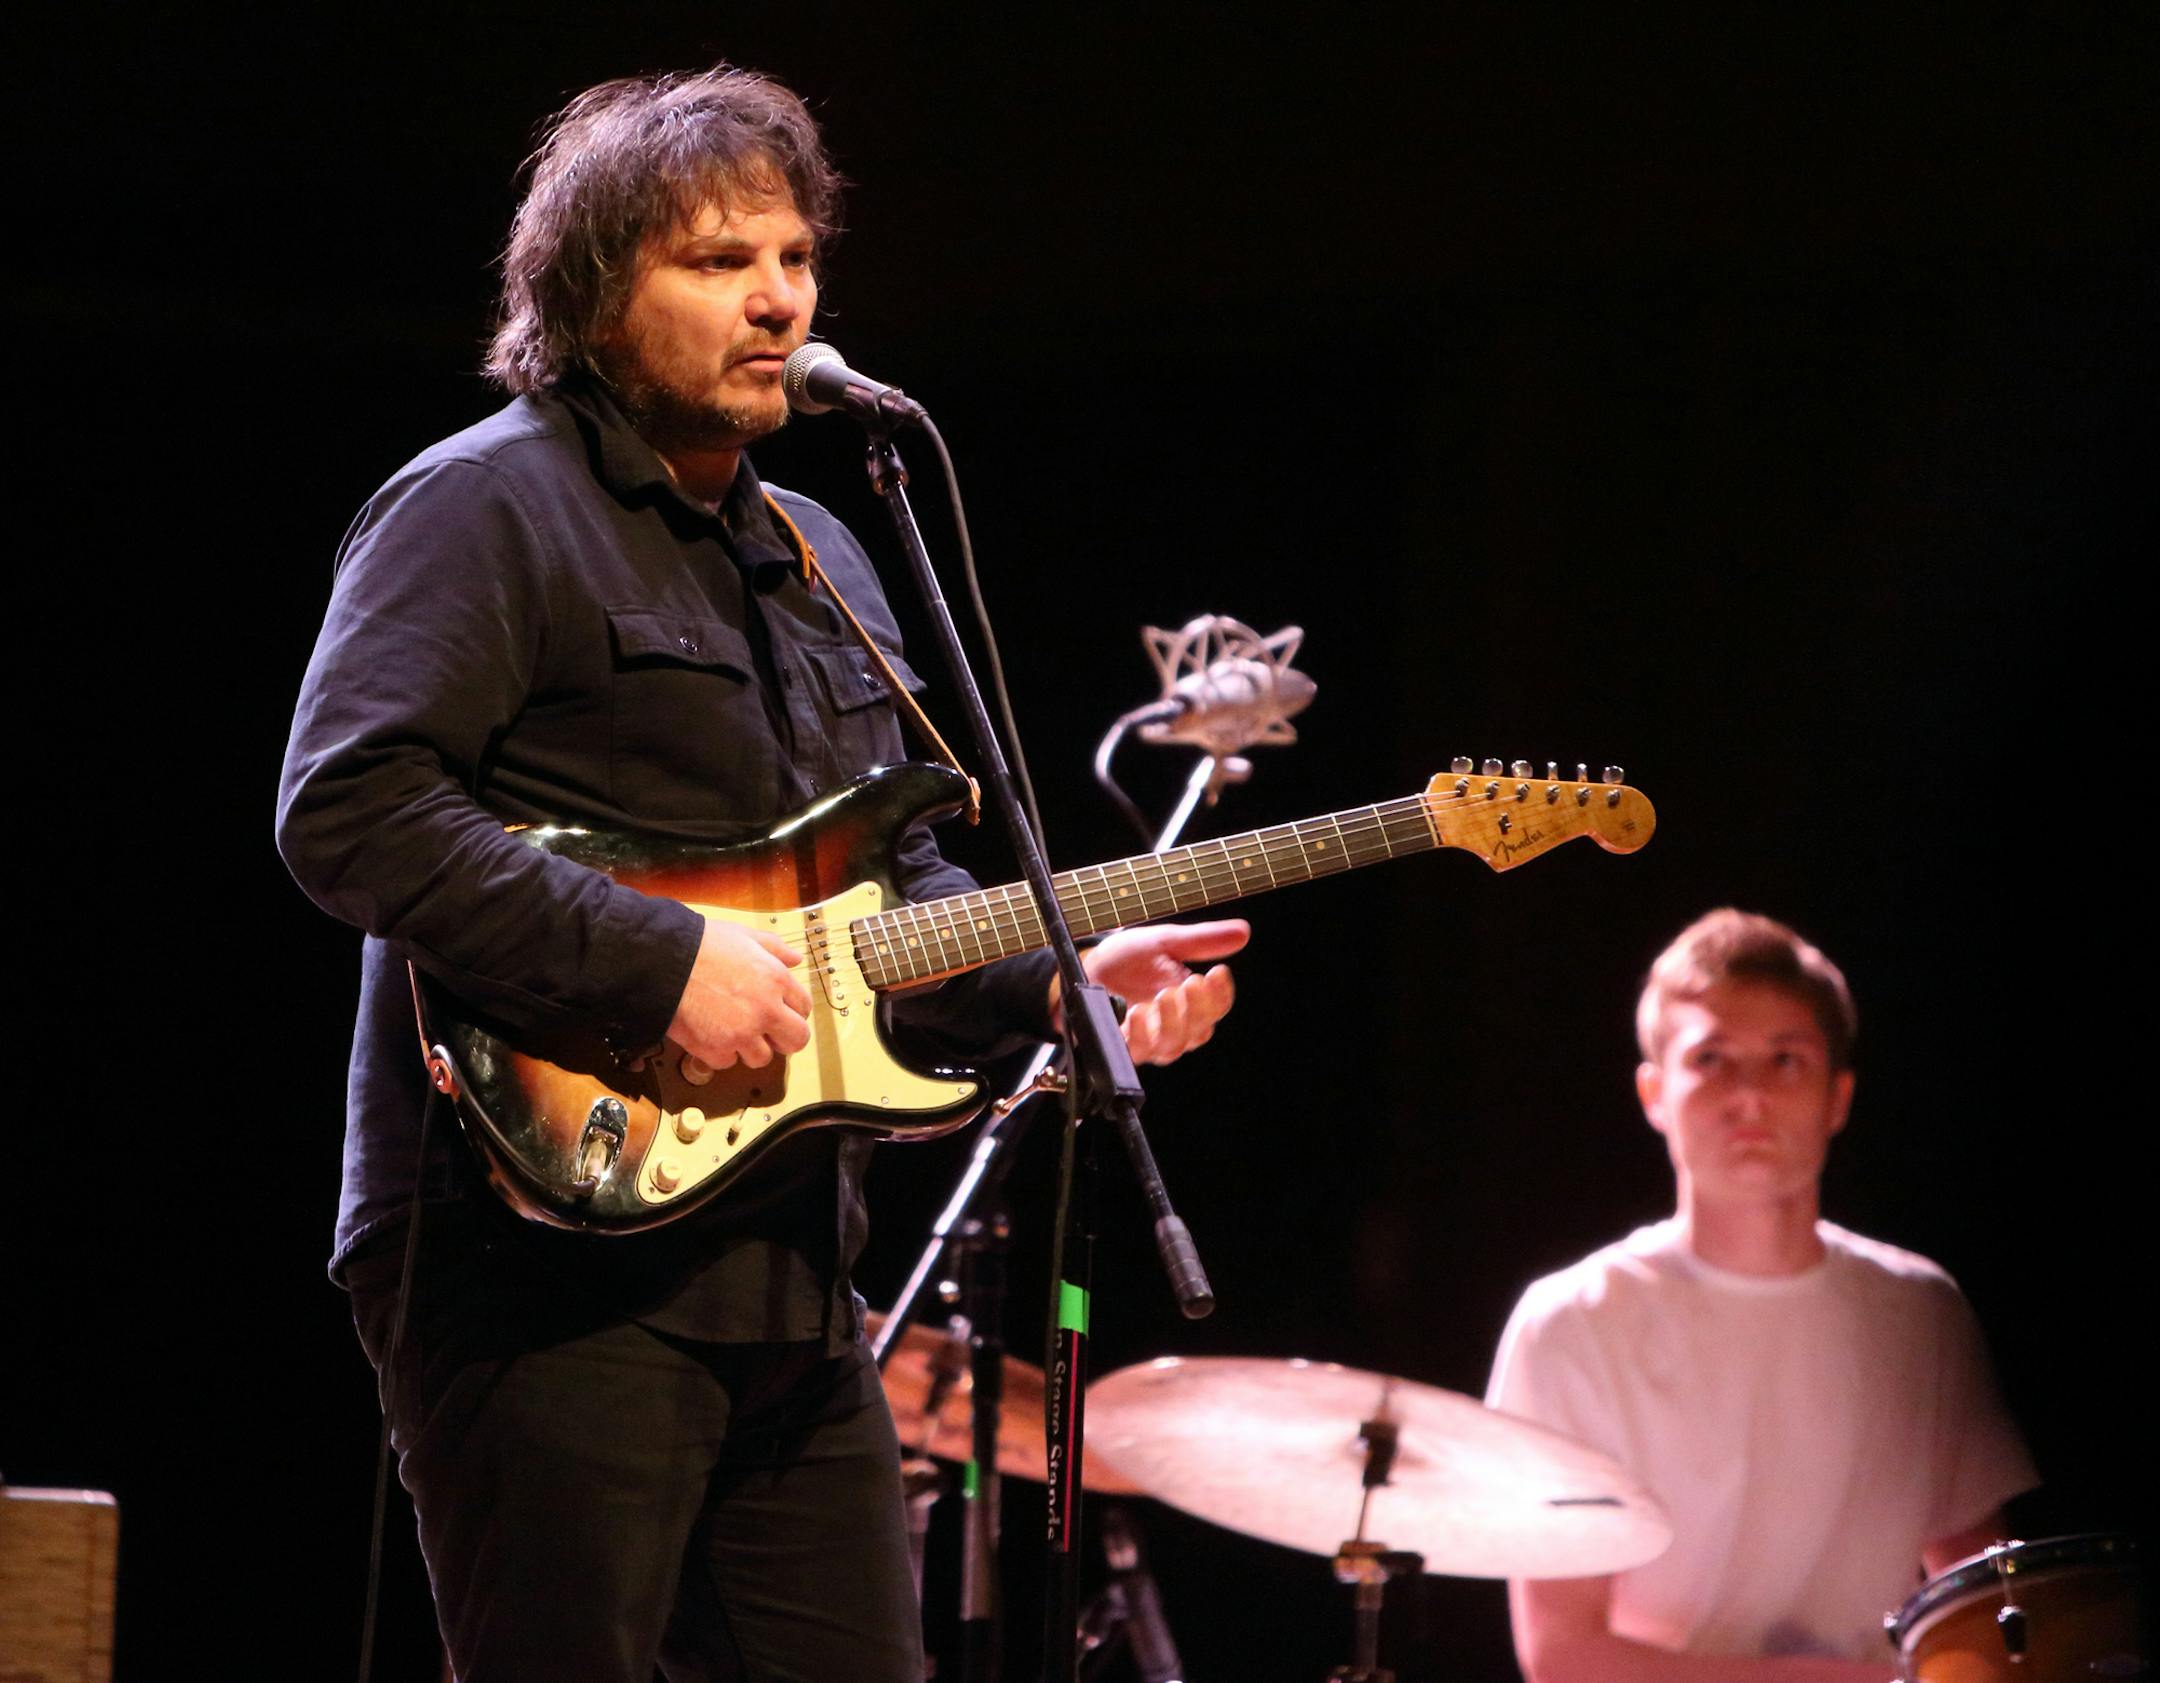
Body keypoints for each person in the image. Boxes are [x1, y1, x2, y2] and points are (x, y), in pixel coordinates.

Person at [276, 64, 1245, 1683]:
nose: (777, 299)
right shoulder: (481, 507)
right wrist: (658, 962)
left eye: (793, 259)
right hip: (534, 1246)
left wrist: (1056, 978)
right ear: (595, 292)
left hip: (792, 1260)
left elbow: (903, 885)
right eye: (719, 261)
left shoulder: (825, 547)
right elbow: (350, 811)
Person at [1484, 909, 2035, 1683]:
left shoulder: (1921, 1312)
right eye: (1711, 1058)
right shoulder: (1572, 1321)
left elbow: (1990, 1610)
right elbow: (1564, 1656)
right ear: (1653, 1092)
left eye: (1785, 1060)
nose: (1749, 1096)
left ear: (1838, 1097)